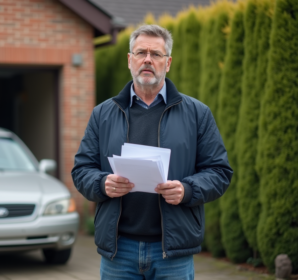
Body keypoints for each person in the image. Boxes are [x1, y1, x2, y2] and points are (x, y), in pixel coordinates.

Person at [71, 25, 233, 280]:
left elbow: (220, 172)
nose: (148, 59)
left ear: (168, 63)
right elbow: (81, 170)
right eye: (141, 52)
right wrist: (102, 184)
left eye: (156, 54)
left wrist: (187, 190)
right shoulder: (102, 114)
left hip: (172, 252)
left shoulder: (197, 113)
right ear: (129, 60)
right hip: (119, 251)